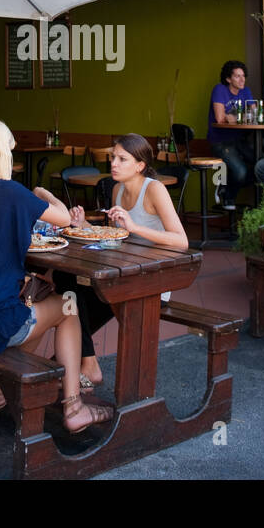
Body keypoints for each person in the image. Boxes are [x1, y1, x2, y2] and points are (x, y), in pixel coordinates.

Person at [0, 117, 111, 434]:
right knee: (68, 308)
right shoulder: (11, 192)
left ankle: (6, 388)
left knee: (34, 306)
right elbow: (64, 217)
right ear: (0, 153)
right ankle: (74, 408)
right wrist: (43, 194)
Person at [58, 133, 188, 388]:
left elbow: (181, 241)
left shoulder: (154, 189)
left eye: (121, 159)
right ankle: (89, 362)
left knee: (76, 297)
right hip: (123, 272)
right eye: (112, 158)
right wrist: (82, 224)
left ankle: (95, 368)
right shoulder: (117, 189)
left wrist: (135, 226)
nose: (113, 164)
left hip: (152, 279)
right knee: (67, 282)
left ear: (140, 165)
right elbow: (115, 237)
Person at [207, 59, 255, 210]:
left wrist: (233, 118)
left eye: (243, 76)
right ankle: (228, 197)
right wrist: (239, 117)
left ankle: (225, 183)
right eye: (237, 76)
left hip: (240, 140)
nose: (242, 80)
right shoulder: (220, 89)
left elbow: (254, 114)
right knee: (241, 172)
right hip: (220, 141)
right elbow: (221, 118)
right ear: (228, 79)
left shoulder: (245, 91)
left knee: (263, 166)